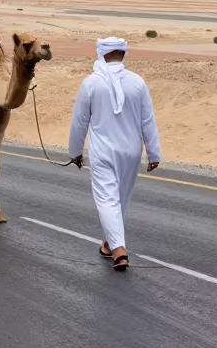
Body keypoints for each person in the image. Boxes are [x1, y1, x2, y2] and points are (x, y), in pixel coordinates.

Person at [68, 37, 162, 272]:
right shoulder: (137, 82)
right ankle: (108, 244)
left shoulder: (91, 83)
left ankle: (119, 250)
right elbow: (147, 120)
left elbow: (80, 120)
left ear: (101, 53)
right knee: (120, 199)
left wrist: (75, 152)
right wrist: (153, 153)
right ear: (123, 53)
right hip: (131, 151)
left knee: (107, 199)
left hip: (103, 152)